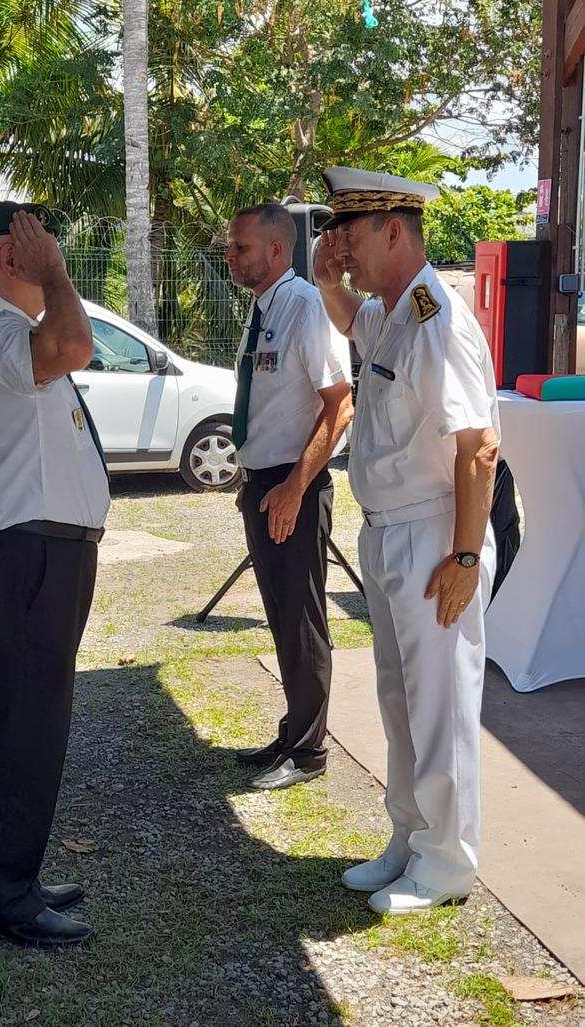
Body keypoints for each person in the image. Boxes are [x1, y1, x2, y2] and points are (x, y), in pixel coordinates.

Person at [314, 168, 500, 914]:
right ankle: (411, 838)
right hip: (390, 532)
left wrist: (463, 557)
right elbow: (352, 320)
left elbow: (480, 448)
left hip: (433, 535)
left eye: (352, 235)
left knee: (441, 704)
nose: (343, 248)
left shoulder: (437, 319)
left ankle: (448, 862)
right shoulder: (396, 312)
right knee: (400, 699)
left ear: (394, 229)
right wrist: (330, 283)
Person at [0, 202, 110, 946]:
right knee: (19, 726)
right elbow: (76, 342)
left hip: (42, 551)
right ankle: (5, 899)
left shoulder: (10, 334)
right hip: (23, 553)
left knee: (31, 724)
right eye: (44, 244)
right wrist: (60, 275)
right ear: (14, 255)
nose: (55, 255)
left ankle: (14, 877)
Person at [225, 203, 354, 791]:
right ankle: (292, 730)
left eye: (241, 247)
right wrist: (254, 482)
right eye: (231, 246)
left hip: (294, 487)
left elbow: (340, 405)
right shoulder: (264, 308)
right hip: (266, 483)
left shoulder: (305, 308)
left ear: (277, 250)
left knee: (301, 618)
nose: (231, 256)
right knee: (280, 615)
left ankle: (307, 753)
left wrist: (293, 488)